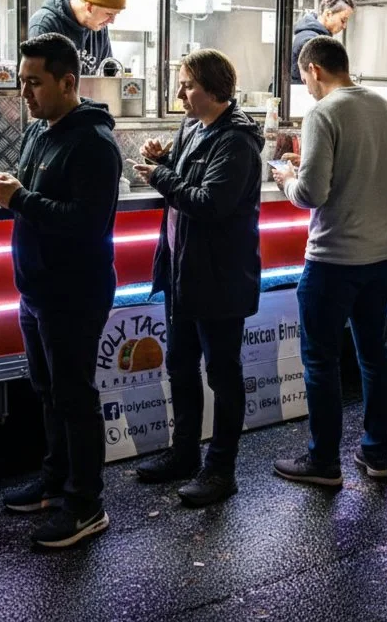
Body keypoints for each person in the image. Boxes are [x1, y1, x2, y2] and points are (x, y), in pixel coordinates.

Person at [0, 33, 122, 547]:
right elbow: (35, 193)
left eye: (35, 83)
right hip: (36, 289)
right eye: (23, 82)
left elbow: (87, 222)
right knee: (47, 391)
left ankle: (86, 504)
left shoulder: (94, 143)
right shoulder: (41, 131)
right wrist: (14, 190)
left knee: (75, 397)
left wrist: (20, 198)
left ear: (69, 82)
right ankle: (54, 480)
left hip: (75, 292)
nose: (25, 93)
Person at [129, 49, 263, 507]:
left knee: (223, 375)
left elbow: (210, 203)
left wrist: (161, 175)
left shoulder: (237, 140)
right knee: (180, 367)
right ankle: (184, 453)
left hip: (219, 277)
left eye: (186, 85)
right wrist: (164, 155)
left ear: (213, 88)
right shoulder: (192, 127)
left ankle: (221, 469)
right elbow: (188, 178)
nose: (179, 94)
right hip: (182, 270)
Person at [271, 35, 387, 486]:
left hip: (333, 259)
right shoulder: (384, 107)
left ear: (314, 70)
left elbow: (312, 194)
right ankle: (376, 454)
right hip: (382, 255)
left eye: (304, 77)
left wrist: (289, 177)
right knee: (374, 355)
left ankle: (324, 461)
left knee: (322, 361)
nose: (306, 86)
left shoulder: (323, 112)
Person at [26, 0, 126, 75]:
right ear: (89, 7)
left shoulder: (99, 27)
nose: (112, 21)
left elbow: (107, 75)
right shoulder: (44, 25)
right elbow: (37, 84)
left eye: (116, 15)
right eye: (109, 14)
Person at [290, 0, 355, 82]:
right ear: (328, 14)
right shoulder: (310, 41)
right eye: (343, 20)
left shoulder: (317, 37)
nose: (344, 26)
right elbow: (315, 83)